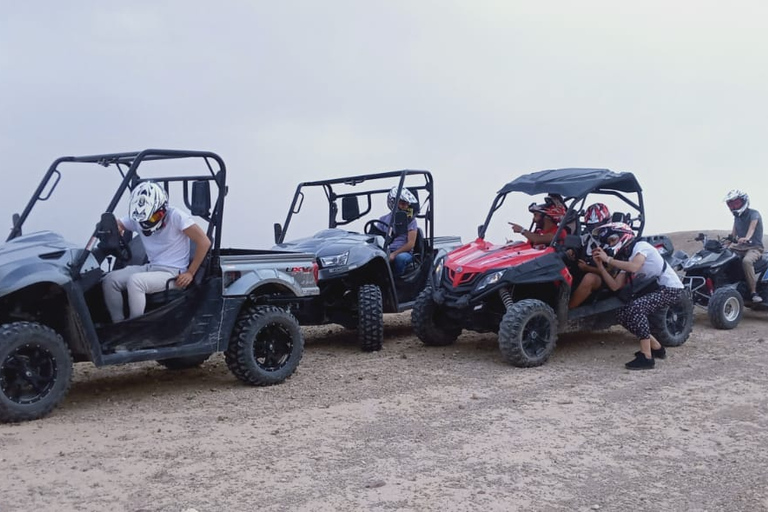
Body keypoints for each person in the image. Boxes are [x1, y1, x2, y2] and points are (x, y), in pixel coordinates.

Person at [102, 181, 211, 322]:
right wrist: (117, 228)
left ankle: (135, 328)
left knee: (135, 282)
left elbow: (204, 242)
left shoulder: (176, 216)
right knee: (110, 280)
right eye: (144, 220)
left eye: (152, 218)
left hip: (173, 273)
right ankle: (118, 325)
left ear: (161, 210)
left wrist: (190, 273)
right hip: (152, 268)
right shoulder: (140, 217)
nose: (146, 223)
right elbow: (119, 223)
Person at [591, 222, 685, 370]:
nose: (610, 244)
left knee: (636, 308)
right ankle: (656, 347)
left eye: (612, 240)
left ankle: (647, 357)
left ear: (623, 236)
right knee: (621, 314)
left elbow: (635, 267)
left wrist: (608, 259)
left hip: (671, 288)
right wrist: (601, 267)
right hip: (658, 288)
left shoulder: (641, 247)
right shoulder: (628, 256)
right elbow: (615, 286)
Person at [568, 203, 612, 309]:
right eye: (591, 226)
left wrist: (588, 268)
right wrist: (571, 252)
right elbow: (576, 245)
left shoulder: (613, 240)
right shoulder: (586, 238)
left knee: (589, 278)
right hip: (582, 271)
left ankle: (567, 312)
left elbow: (612, 272)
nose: (594, 229)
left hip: (605, 279)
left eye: (597, 226)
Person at [724, 189, 764, 303]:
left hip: (755, 247)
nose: (733, 206)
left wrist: (746, 238)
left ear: (744, 202)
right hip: (740, 248)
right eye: (731, 204)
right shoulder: (737, 218)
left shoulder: (754, 214)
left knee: (746, 261)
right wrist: (725, 245)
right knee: (723, 256)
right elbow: (733, 235)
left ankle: (753, 292)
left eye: (736, 203)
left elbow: (751, 228)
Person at [378, 186, 419, 277]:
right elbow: (377, 238)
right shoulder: (382, 220)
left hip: (404, 252)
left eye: (406, 204)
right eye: (402, 203)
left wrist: (394, 254)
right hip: (385, 251)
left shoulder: (411, 220)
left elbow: (411, 244)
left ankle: (397, 283)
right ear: (393, 203)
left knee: (400, 259)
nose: (405, 206)